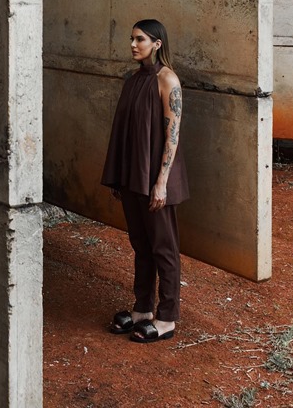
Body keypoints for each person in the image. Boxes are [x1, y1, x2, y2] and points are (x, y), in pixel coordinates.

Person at [101, 18, 189, 343]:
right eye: (131, 39)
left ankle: (167, 318)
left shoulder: (168, 81)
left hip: (156, 179)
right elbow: (125, 133)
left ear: (157, 44)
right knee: (140, 245)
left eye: (140, 39)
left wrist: (161, 181)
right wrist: (120, 176)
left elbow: (172, 135)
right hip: (133, 178)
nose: (133, 45)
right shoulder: (133, 81)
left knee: (164, 247)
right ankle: (142, 310)